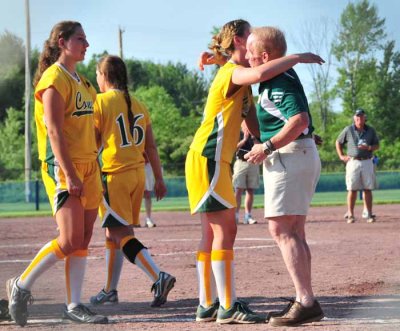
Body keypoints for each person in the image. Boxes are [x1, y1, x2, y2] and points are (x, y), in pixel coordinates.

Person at [187, 19, 324, 324]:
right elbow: (260, 69)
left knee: (214, 231)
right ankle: (224, 306)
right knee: (224, 230)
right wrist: (298, 57)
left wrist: (294, 138)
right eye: (247, 36)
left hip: (217, 159)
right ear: (238, 40)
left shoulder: (242, 78)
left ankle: (209, 304)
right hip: (208, 156)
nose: (251, 44)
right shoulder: (238, 73)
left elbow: (255, 121)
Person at [6, 21, 107, 326]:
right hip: (64, 167)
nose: (86, 44)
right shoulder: (53, 79)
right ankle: (21, 286)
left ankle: (73, 305)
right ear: (62, 43)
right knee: (69, 238)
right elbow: (53, 130)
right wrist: (70, 173)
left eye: (86, 39)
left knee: (84, 239)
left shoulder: (85, 83)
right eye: (80, 39)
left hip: (90, 165)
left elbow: (93, 124)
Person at [244, 26, 324, 327]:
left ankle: (306, 301)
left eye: (252, 54)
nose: (248, 58)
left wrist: (267, 146)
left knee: (281, 230)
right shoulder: (281, 75)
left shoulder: (276, 79)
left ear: (265, 56)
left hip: (289, 157)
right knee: (294, 231)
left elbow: (299, 120)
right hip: (298, 154)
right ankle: (306, 298)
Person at [89, 55, 176, 308]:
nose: (97, 79)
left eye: (97, 75)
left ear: (104, 76)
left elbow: (91, 145)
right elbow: (151, 145)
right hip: (137, 175)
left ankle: (158, 276)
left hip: (114, 175)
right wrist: (159, 178)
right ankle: (109, 289)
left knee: (121, 233)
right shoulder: (139, 103)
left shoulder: (101, 101)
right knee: (113, 232)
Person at [335, 109, 379, 223]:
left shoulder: (370, 130)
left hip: (367, 161)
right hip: (353, 161)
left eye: (361, 117)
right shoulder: (349, 129)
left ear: (365, 118)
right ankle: (350, 214)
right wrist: (341, 156)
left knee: (368, 189)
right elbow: (338, 142)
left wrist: (369, 148)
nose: (359, 119)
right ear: (354, 118)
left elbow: (377, 145)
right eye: (357, 117)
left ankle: (369, 214)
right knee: (352, 189)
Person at [233, 123, 260, 225]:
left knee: (250, 190)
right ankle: (235, 215)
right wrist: (244, 139)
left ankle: (248, 216)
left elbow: (260, 146)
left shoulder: (256, 133)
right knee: (238, 189)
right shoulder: (237, 133)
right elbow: (233, 148)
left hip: (253, 162)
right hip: (241, 163)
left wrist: (253, 137)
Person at [143, 152, 156, 228]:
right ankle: (133, 220)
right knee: (131, 193)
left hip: (146, 164)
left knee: (147, 193)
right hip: (131, 164)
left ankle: (148, 219)